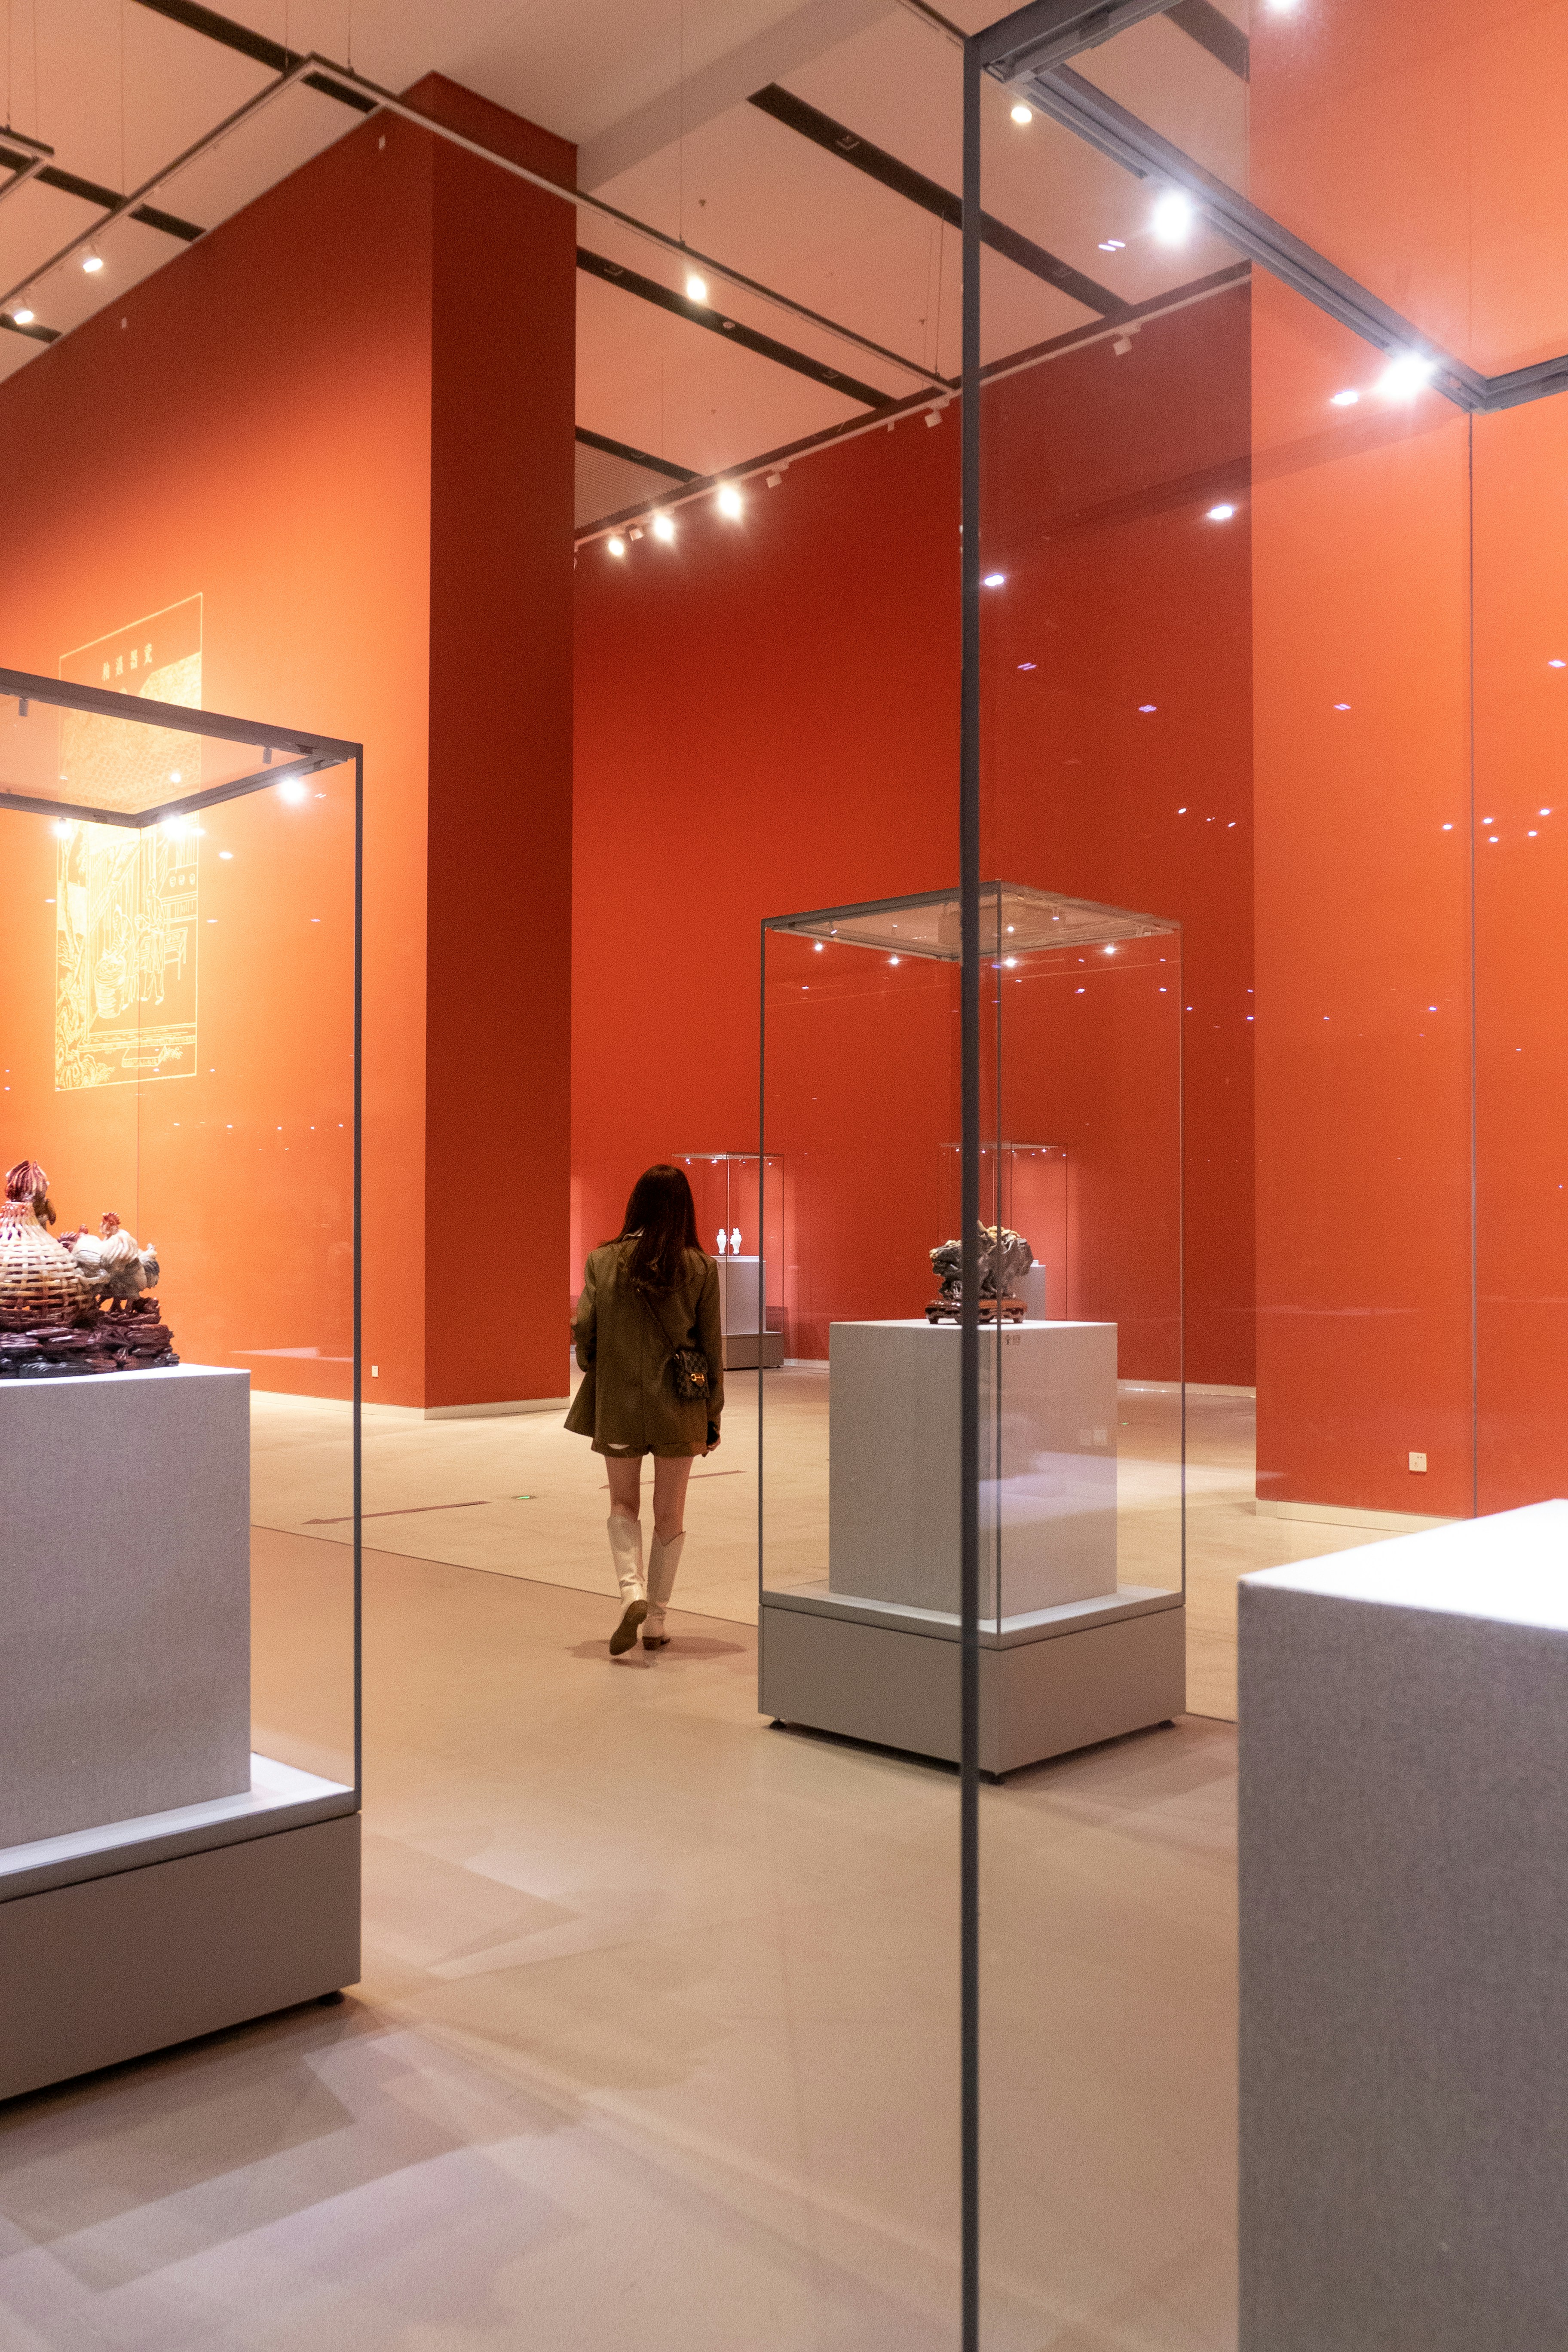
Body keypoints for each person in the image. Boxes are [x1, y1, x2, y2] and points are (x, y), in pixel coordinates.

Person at [566, 1164, 723, 1656]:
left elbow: (584, 1328)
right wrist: (712, 1414)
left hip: (619, 1401)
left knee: (622, 1503)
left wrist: (598, 1364)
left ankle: (630, 1592)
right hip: (680, 1403)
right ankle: (655, 1620)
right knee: (670, 1513)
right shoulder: (699, 1267)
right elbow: (713, 1348)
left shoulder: (603, 1261)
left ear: (635, 1203)